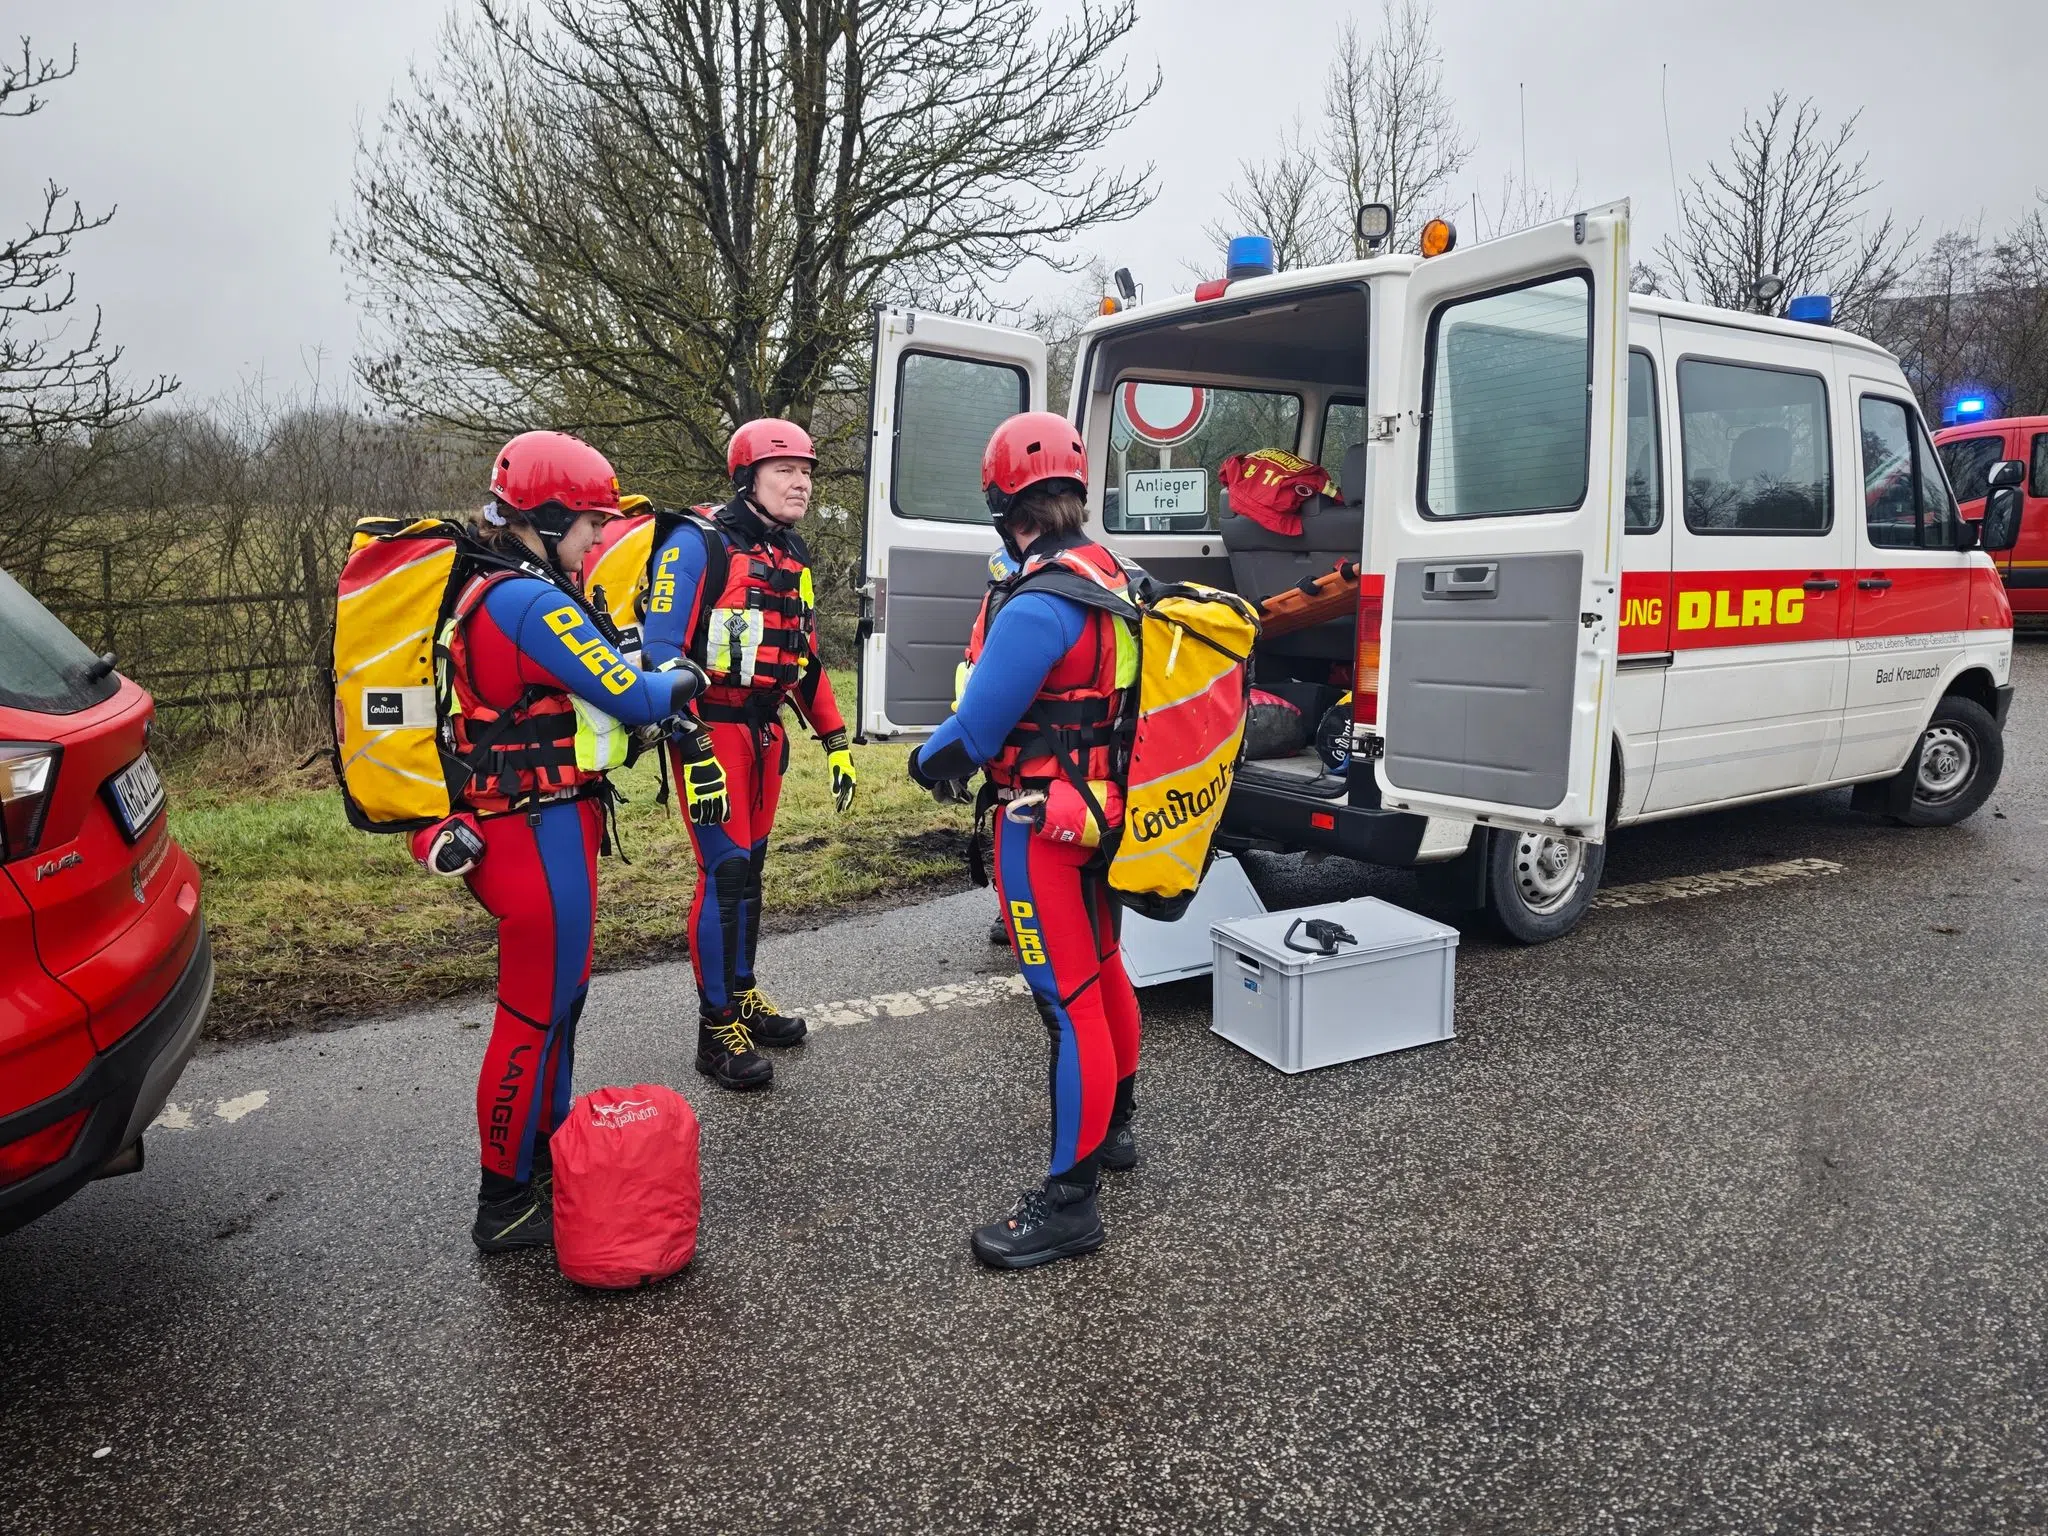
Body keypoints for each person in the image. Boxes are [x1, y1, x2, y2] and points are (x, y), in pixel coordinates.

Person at [410, 430, 708, 1254]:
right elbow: (635, 695)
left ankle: (541, 1158)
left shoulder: (506, 588)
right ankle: (502, 1199)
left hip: (547, 824)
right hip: (530, 834)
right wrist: (684, 675)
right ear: (544, 517)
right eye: (587, 527)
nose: (595, 544)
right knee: (533, 1014)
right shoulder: (525, 600)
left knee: (560, 1005)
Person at [907, 412, 1143, 1271]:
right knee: (1106, 968)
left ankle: (1069, 1203)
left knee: (1065, 1000)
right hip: (1103, 811)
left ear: (1008, 508)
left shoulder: (1040, 604)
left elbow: (976, 731)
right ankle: (1115, 1127)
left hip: (1042, 825)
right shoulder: (1115, 575)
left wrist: (923, 765)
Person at [640, 418, 856, 1092]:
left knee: (752, 872)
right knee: (724, 872)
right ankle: (714, 1032)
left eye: (808, 471)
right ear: (747, 477)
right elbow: (658, 653)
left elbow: (804, 657)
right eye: (785, 469)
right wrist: (692, 744)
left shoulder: (792, 553)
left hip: (765, 737)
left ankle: (743, 994)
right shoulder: (696, 542)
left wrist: (835, 739)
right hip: (711, 733)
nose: (802, 482)